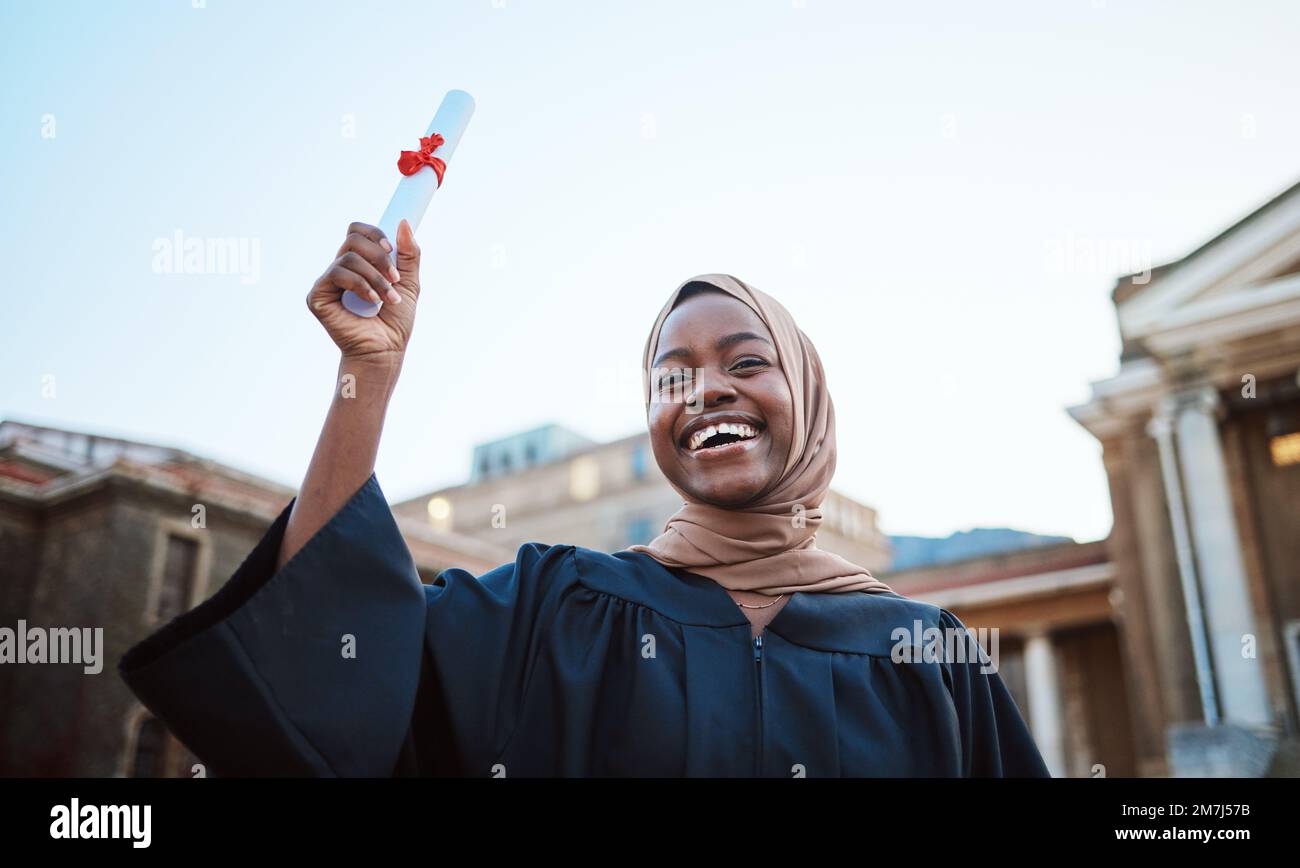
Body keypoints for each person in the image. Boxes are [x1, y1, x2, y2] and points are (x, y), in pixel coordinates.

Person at [119, 219, 1051, 778]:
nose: (708, 390)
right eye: (671, 375)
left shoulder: (926, 659)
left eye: (747, 361)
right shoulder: (552, 609)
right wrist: (366, 375)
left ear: (806, 399)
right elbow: (321, 677)